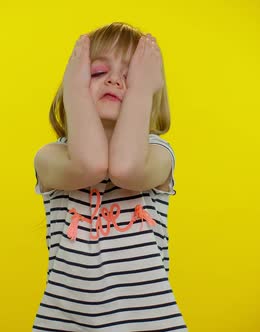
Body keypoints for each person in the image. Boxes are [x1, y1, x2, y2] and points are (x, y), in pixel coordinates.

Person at [32, 22, 187, 331]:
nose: (115, 80)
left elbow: (125, 168)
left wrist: (142, 89)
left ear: (148, 92)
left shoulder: (159, 155)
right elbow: (90, 164)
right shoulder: (50, 157)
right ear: (73, 84)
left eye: (131, 76)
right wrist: (74, 89)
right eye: (97, 72)